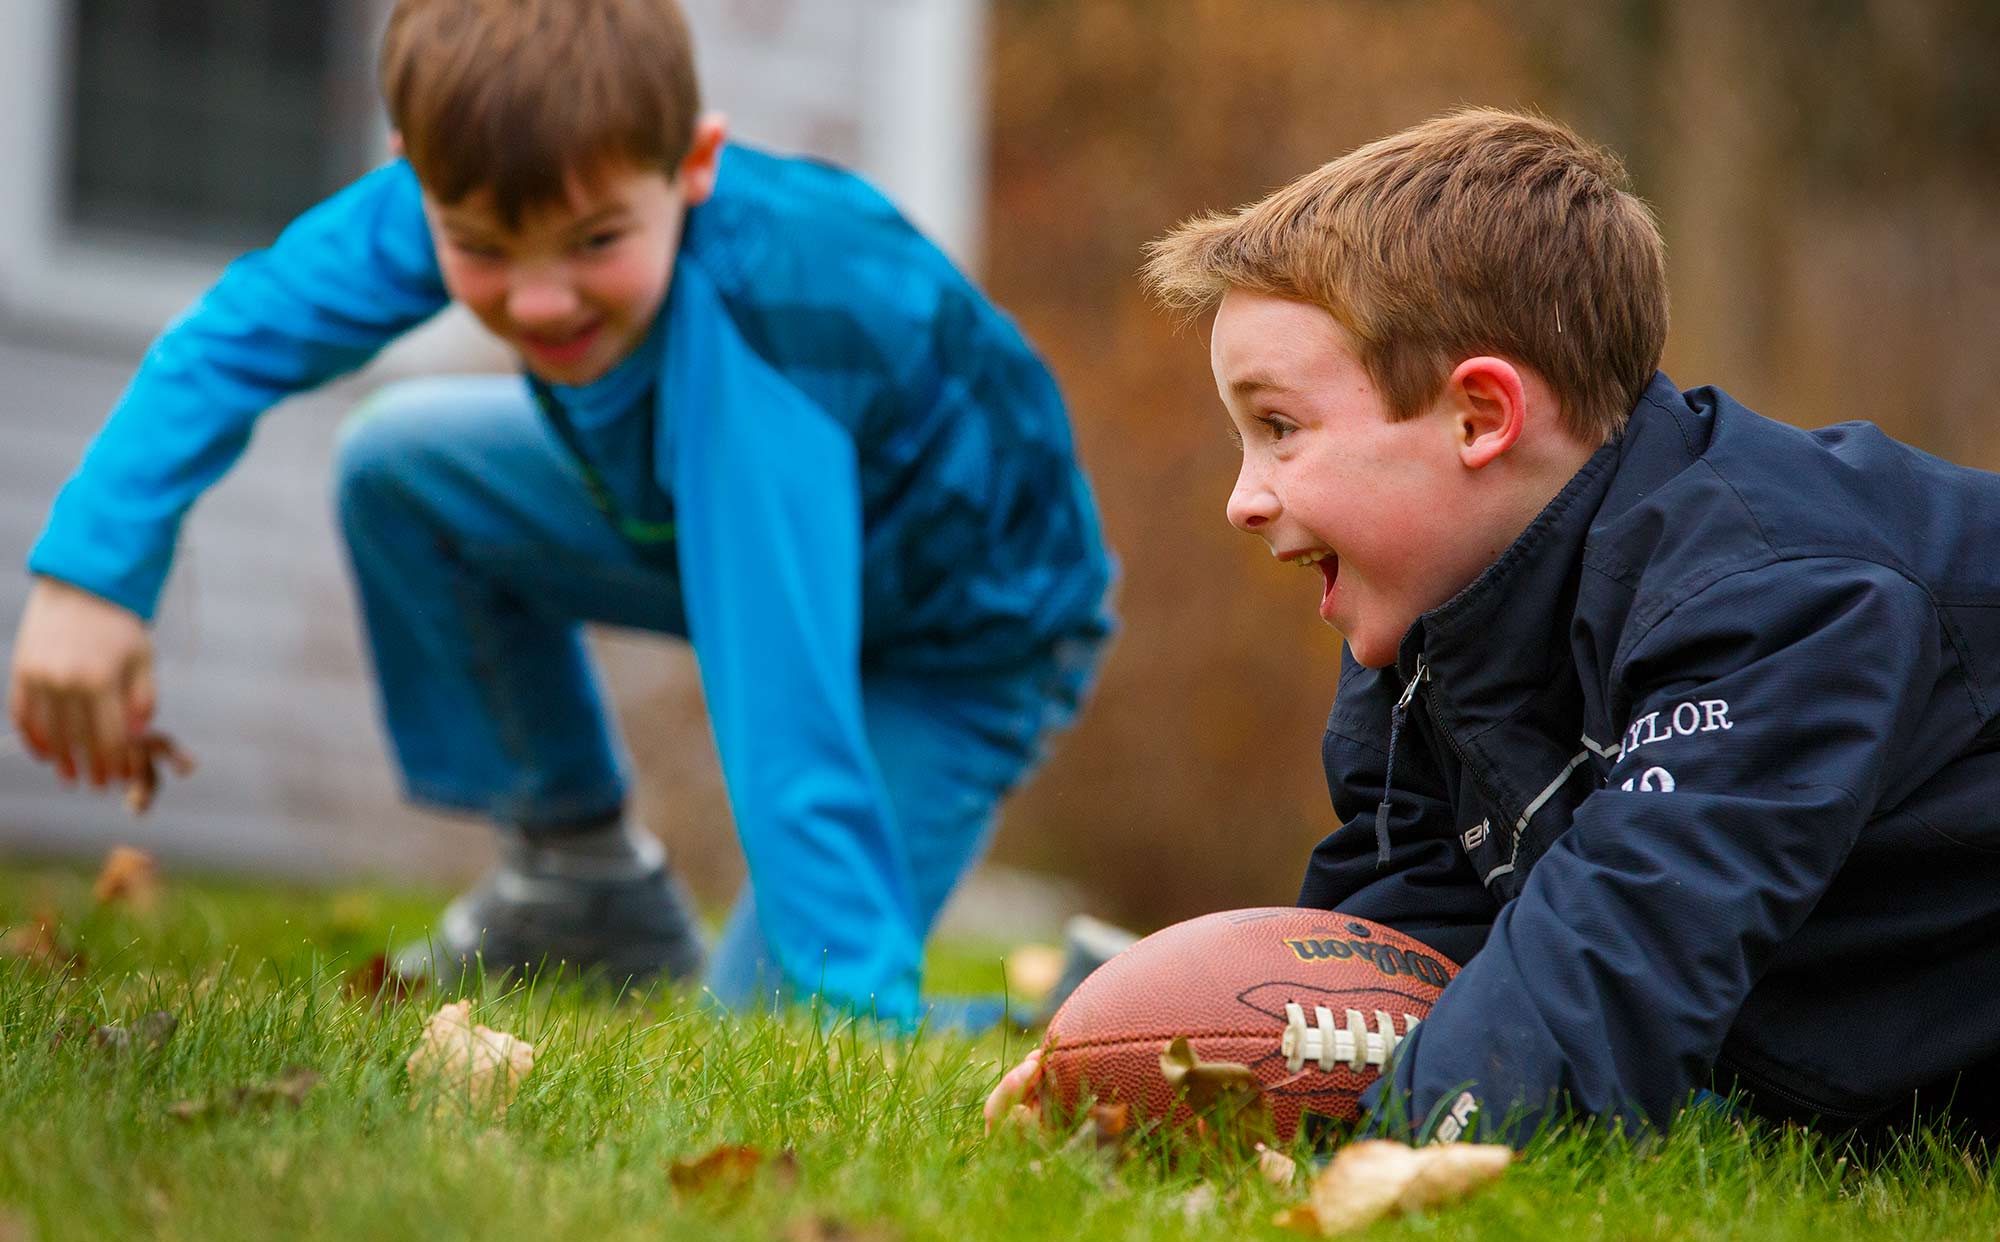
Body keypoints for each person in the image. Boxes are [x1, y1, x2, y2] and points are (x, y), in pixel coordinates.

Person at [7, 0, 1114, 1025]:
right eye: (482, 249)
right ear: (418, 183)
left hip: (961, 637)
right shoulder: (495, 177)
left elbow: (786, 711)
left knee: (798, 1014)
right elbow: (236, 336)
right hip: (750, 525)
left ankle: (1107, 1009)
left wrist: (845, 1006)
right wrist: (93, 575)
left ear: (693, 165)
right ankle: (578, 882)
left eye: (594, 243)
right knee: (401, 467)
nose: (537, 300)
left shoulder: (761, 346)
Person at [991, 108, 2000, 1144]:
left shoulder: (1775, 598)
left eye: (1279, 430)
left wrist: (1396, 1153)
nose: (1241, 500)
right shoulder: (1434, 631)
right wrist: (1157, 1073)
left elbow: (1613, 956)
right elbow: (1393, 956)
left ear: (1478, 416)